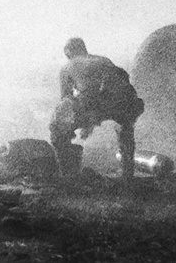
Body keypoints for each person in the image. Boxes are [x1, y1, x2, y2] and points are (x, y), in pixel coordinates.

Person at [50, 38, 144, 179]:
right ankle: (127, 171)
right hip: (125, 102)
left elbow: (66, 99)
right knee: (125, 128)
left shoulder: (67, 67)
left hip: (97, 102)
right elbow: (119, 82)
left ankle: (67, 172)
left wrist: (85, 121)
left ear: (69, 53)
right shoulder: (103, 60)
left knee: (57, 126)